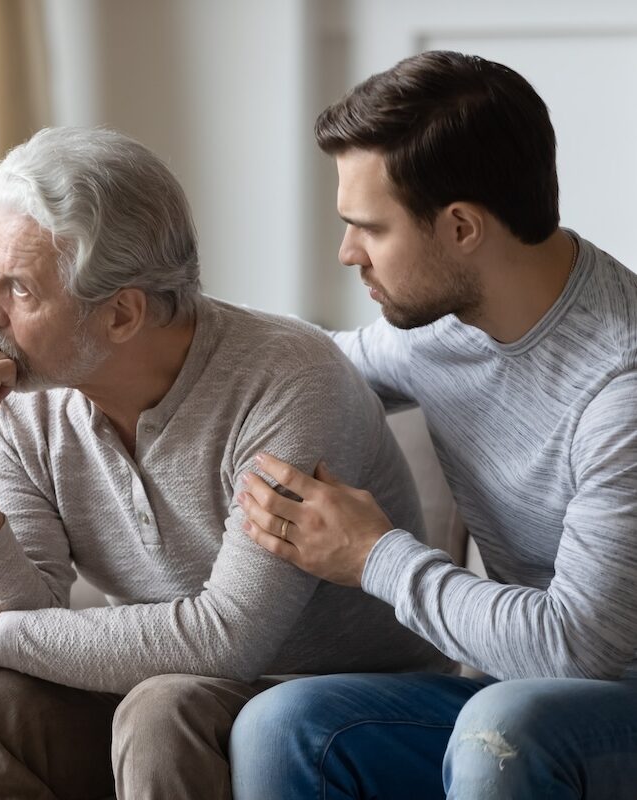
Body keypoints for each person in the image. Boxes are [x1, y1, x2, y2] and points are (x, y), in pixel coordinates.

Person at [0, 126, 448, 800]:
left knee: (163, 710)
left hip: (343, 704)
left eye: (22, 290)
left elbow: (229, 637)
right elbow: (5, 621)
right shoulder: (20, 395)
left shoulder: (287, 380)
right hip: (173, 690)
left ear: (122, 314)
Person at [230, 50, 637, 799]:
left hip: (595, 692)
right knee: (281, 723)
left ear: (459, 227)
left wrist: (373, 554)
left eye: (369, 229)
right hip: (521, 696)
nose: (347, 253)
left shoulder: (621, 389)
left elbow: (579, 647)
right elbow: (295, 366)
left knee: (509, 725)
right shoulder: (436, 332)